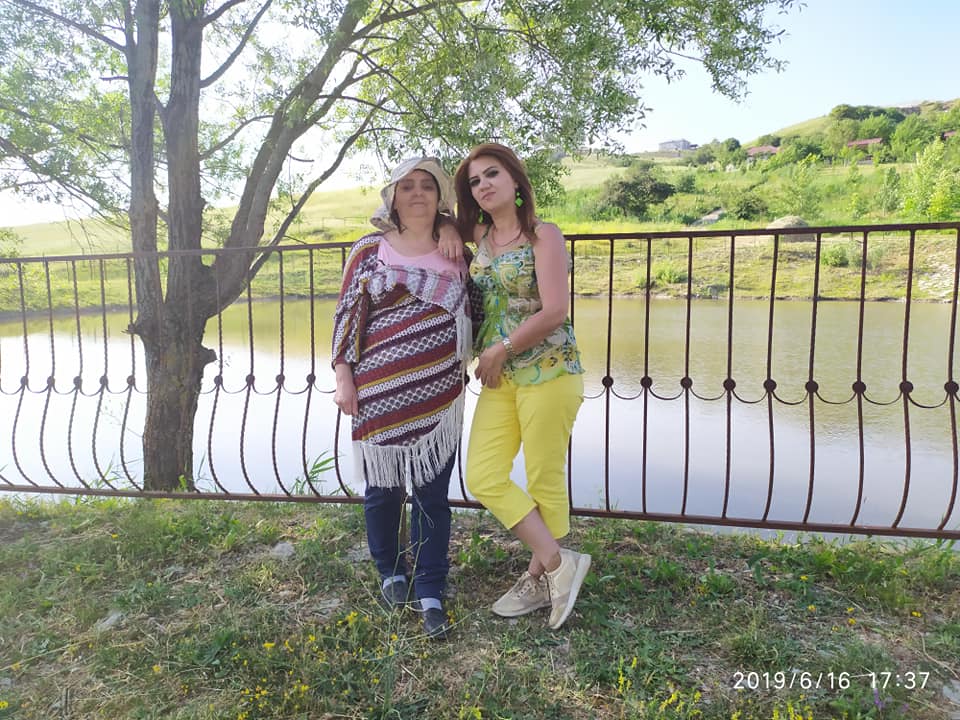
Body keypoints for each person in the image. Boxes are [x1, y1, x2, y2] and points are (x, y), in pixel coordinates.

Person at [331, 157, 470, 639]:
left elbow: (476, 311)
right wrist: (343, 376)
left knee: (432, 495)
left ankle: (430, 587)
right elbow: (347, 315)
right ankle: (390, 570)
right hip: (378, 391)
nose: (416, 194)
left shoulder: (459, 252)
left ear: (440, 196)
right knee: (383, 490)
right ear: (392, 196)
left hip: (440, 395)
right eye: (406, 186)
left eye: (426, 186)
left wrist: (450, 227)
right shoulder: (370, 250)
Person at [453, 143, 590, 630]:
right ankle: (558, 564)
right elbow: (409, 218)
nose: (483, 185)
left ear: (515, 180)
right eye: (474, 181)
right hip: (501, 377)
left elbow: (555, 310)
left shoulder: (542, 235)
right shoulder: (480, 236)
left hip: (549, 370)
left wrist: (501, 348)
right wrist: (448, 229)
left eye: (492, 174)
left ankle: (537, 579)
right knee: (483, 474)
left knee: (543, 477)